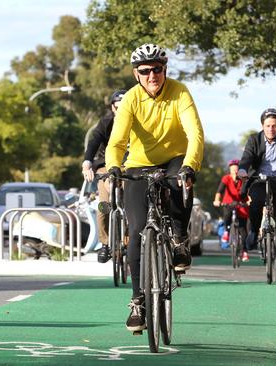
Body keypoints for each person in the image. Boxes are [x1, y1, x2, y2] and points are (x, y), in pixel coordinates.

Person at [105, 43, 204, 332]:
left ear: (165, 70)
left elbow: (195, 133)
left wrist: (190, 165)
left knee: (181, 182)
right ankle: (138, 301)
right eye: (145, 71)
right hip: (139, 163)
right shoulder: (131, 99)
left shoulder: (180, 92)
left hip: (175, 158)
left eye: (157, 69)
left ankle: (179, 239)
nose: (152, 75)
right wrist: (113, 165)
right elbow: (117, 141)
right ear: (136, 74)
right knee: (136, 232)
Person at [237, 107, 276, 269]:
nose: (271, 129)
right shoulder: (254, 139)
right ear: (262, 126)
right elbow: (247, 157)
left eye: (274, 126)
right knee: (256, 203)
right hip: (259, 179)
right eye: (267, 126)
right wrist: (243, 169)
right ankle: (254, 230)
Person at [82, 89, 127, 263]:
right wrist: (87, 162)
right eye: (117, 107)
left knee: (135, 199)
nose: (121, 111)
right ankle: (106, 243)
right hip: (106, 166)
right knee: (104, 204)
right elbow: (94, 141)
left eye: (125, 107)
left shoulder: (139, 121)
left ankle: (132, 240)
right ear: (112, 108)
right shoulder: (106, 122)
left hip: (131, 166)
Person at [213, 159, 250, 261]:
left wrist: (249, 201)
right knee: (227, 215)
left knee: (243, 230)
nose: (234, 170)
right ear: (229, 169)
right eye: (232, 168)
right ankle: (226, 231)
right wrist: (217, 200)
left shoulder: (244, 180)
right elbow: (219, 191)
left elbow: (248, 192)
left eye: (236, 168)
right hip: (228, 203)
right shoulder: (226, 178)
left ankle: (244, 251)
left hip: (241, 205)